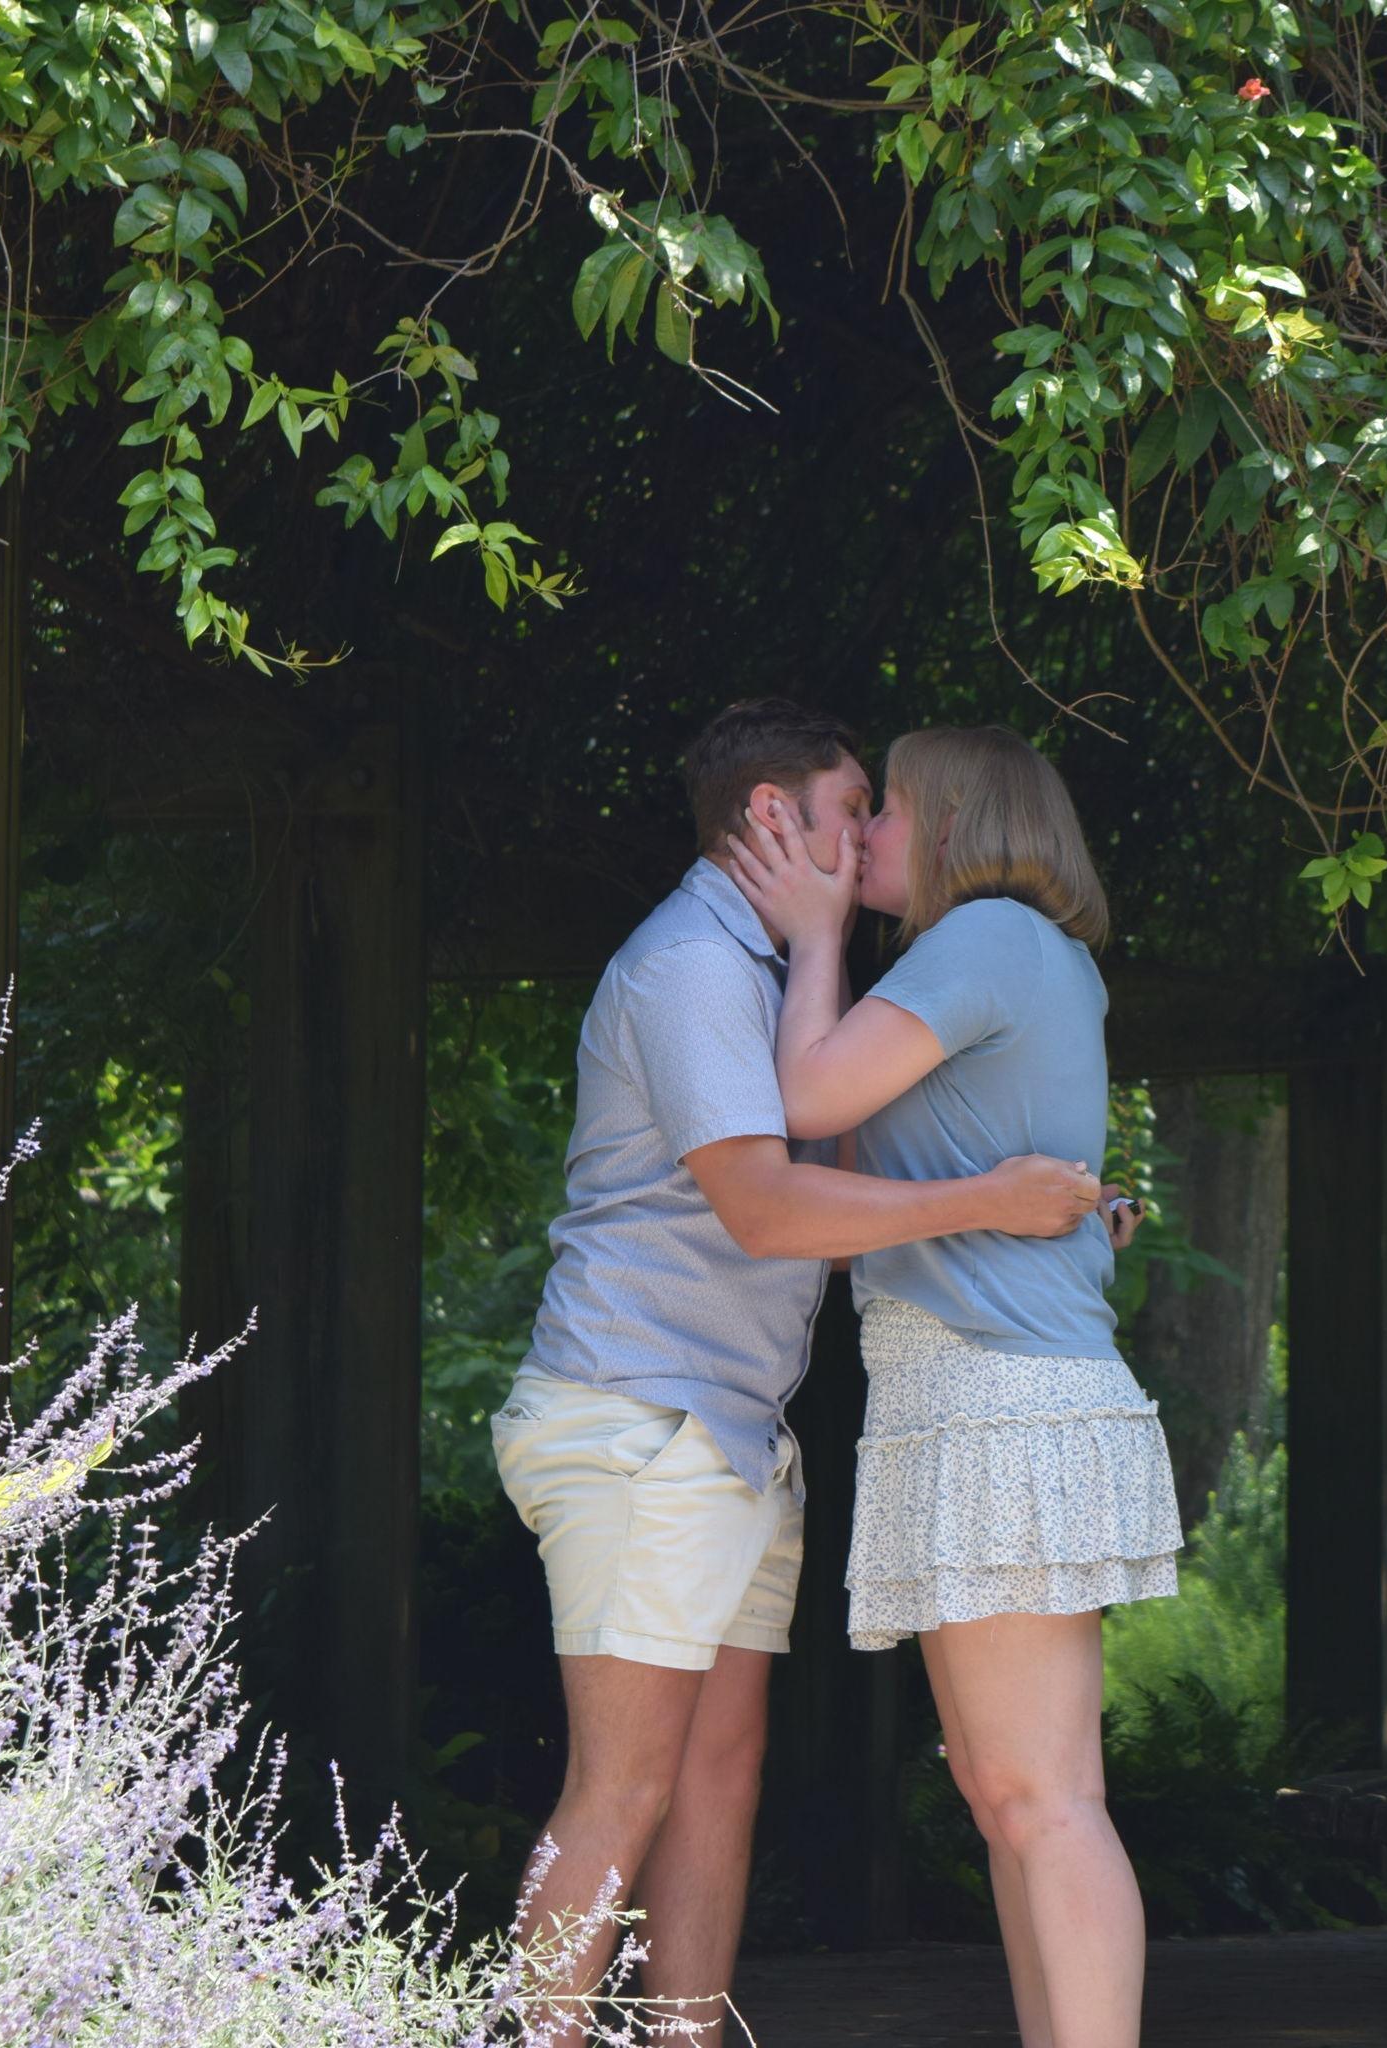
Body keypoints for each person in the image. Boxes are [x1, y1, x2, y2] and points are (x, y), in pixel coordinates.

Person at [489, 699, 1107, 2030]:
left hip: (730, 1436)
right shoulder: (693, 970)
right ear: (773, 817)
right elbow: (770, 1214)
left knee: (719, 1775)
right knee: (624, 1787)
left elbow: (845, 1184)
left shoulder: (774, 982)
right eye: (852, 810)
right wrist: (991, 1201)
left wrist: (1054, 1206)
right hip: (643, 1418)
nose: (870, 835)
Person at [726, 724, 1183, 2048]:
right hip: (967, 1393)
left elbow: (806, 1093)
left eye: (889, 807)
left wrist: (816, 937)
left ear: (952, 824)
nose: (862, 832)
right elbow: (847, 1174)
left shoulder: (986, 936)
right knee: (1008, 1795)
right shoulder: (1001, 955)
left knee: (1043, 1799)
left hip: (999, 1396)